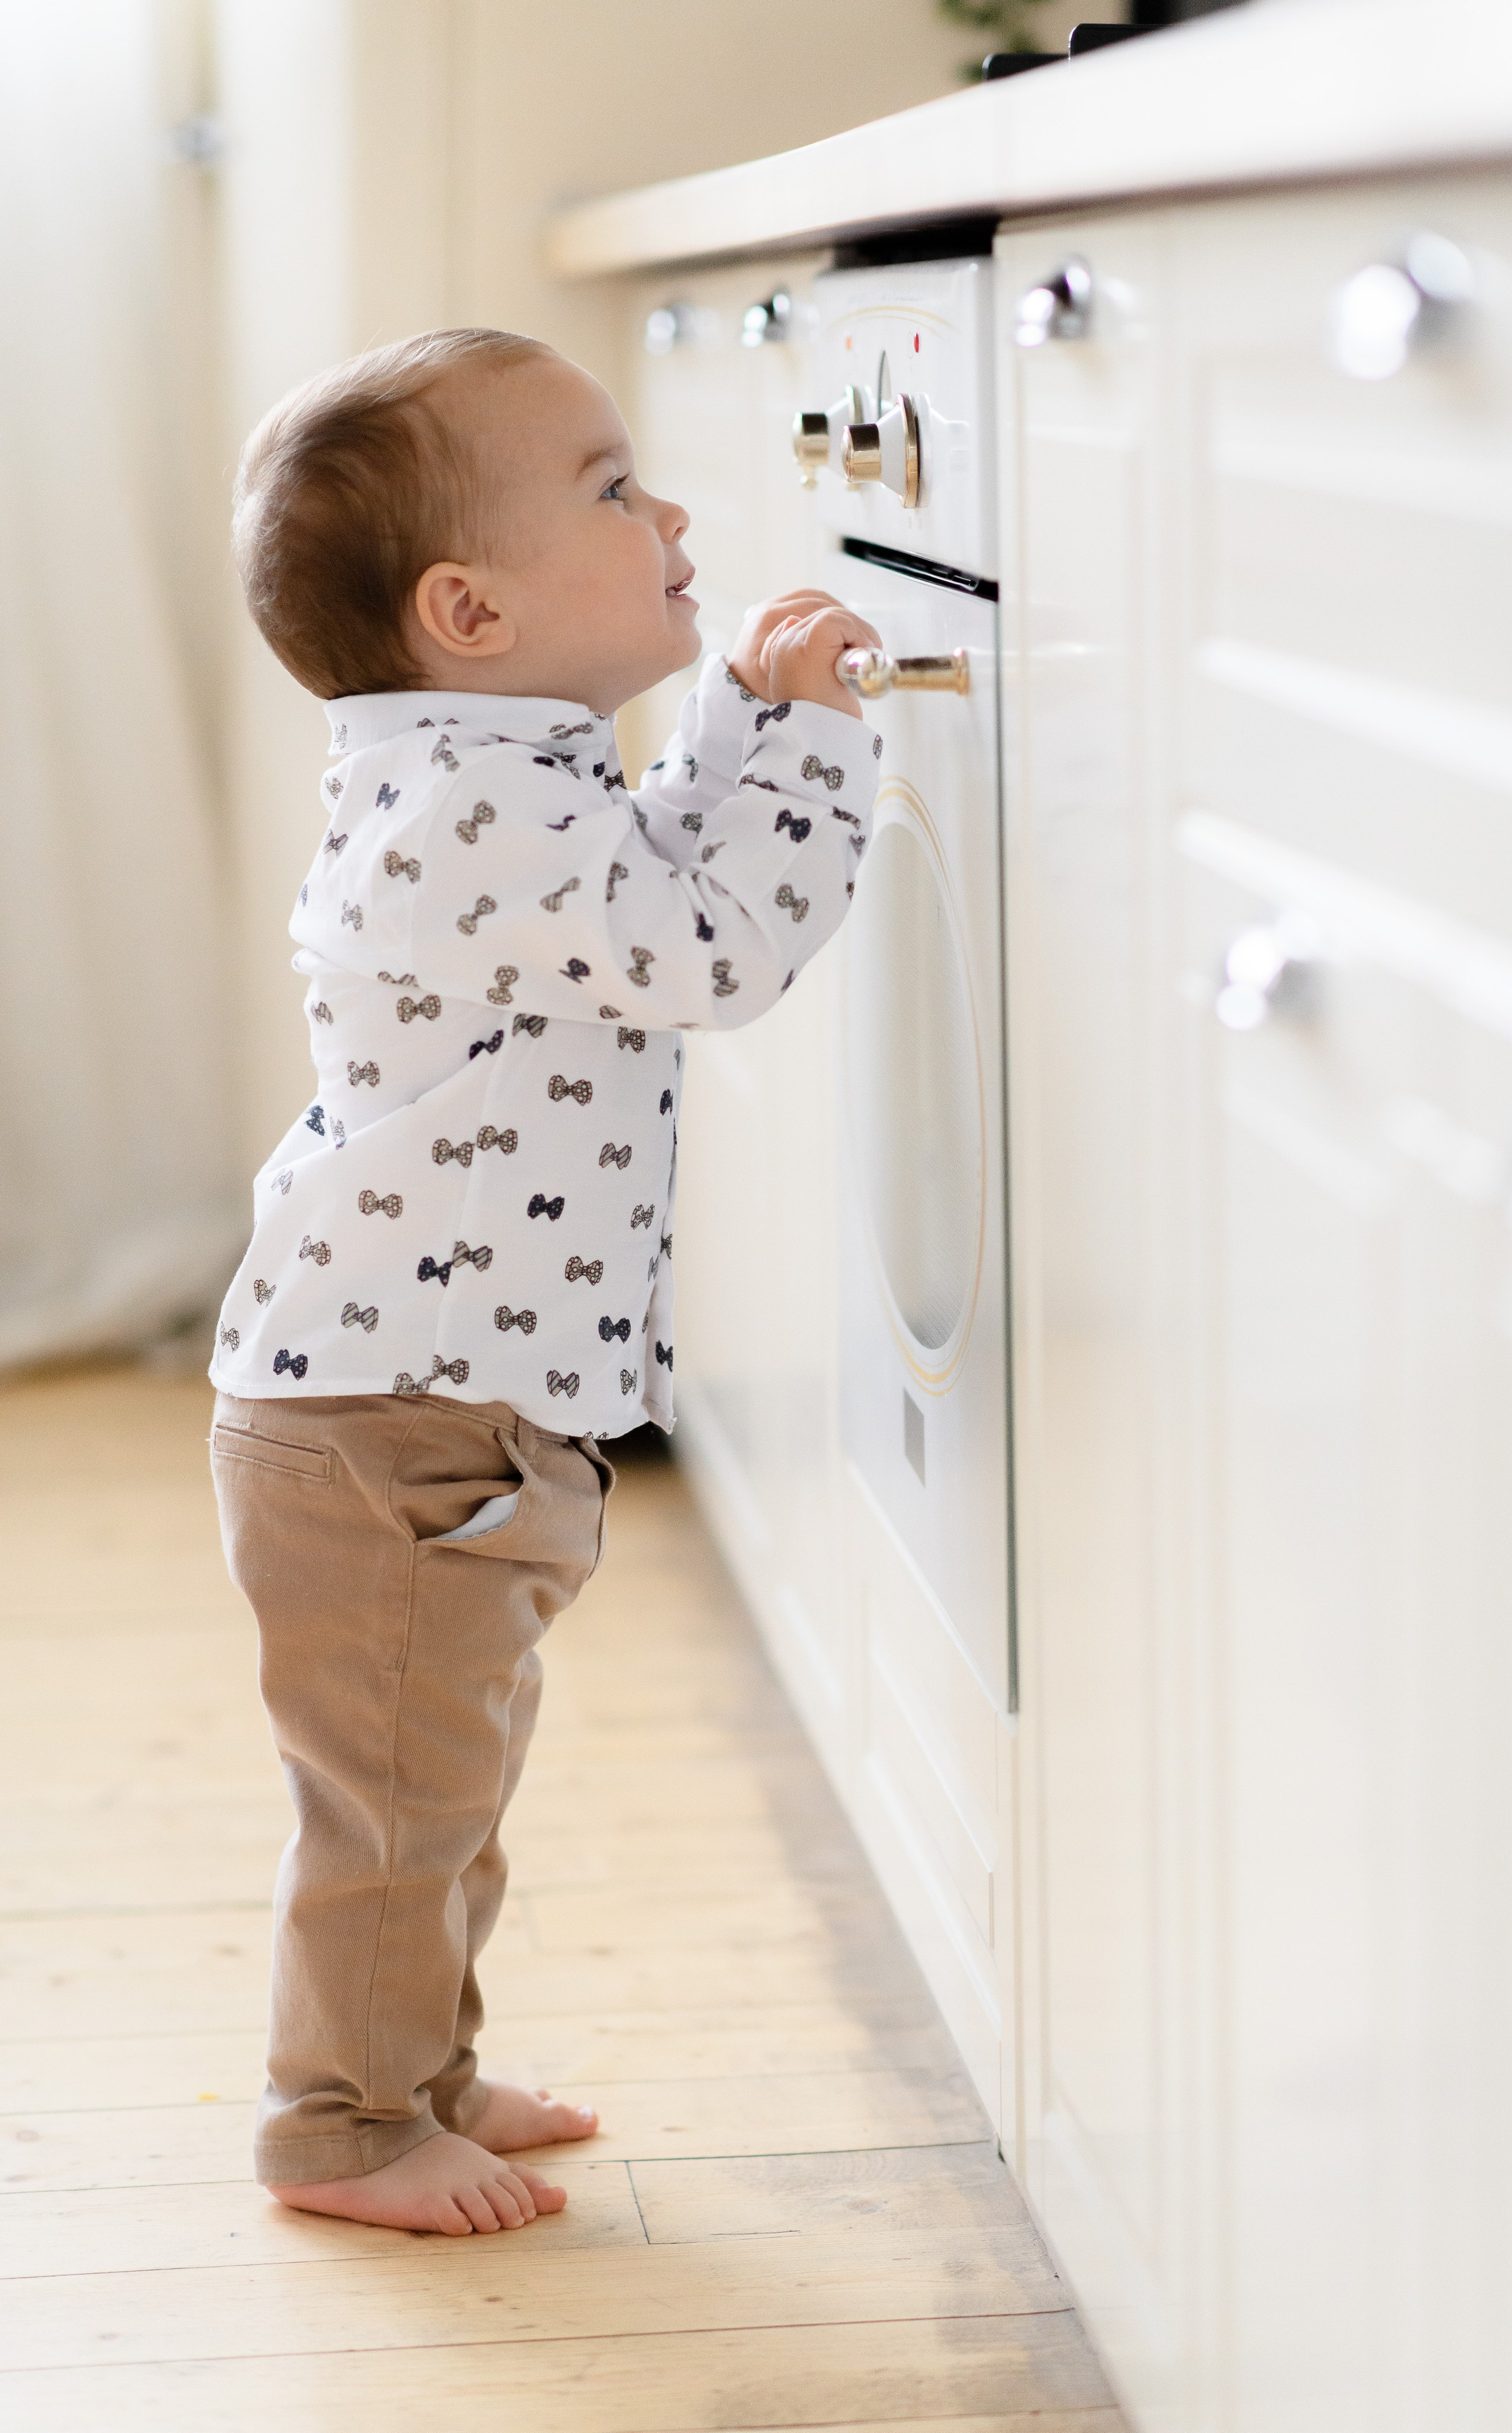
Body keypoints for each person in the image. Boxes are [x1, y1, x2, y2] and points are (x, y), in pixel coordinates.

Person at [208, 326, 882, 2236]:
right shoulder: (471, 807)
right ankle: (338, 2126)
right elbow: (705, 946)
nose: (667, 512)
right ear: (471, 607)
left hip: (417, 1410)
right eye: (611, 487)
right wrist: (819, 745)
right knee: (397, 1812)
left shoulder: (497, 773)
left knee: (444, 1787)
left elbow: (651, 877)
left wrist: (746, 730)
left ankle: (411, 2071)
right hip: (395, 1427)